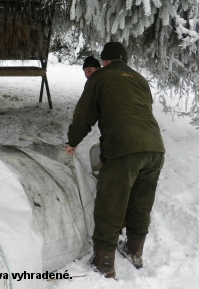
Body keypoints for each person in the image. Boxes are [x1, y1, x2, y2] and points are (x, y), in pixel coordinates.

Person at [66, 42, 166, 279]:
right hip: (154, 147)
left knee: (110, 203)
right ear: (124, 60)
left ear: (104, 61)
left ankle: (104, 262)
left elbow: (84, 114)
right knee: (141, 201)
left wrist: (73, 141)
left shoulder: (99, 77)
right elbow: (141, 109)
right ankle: (135, 250)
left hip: (123, 147)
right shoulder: (140, 79)